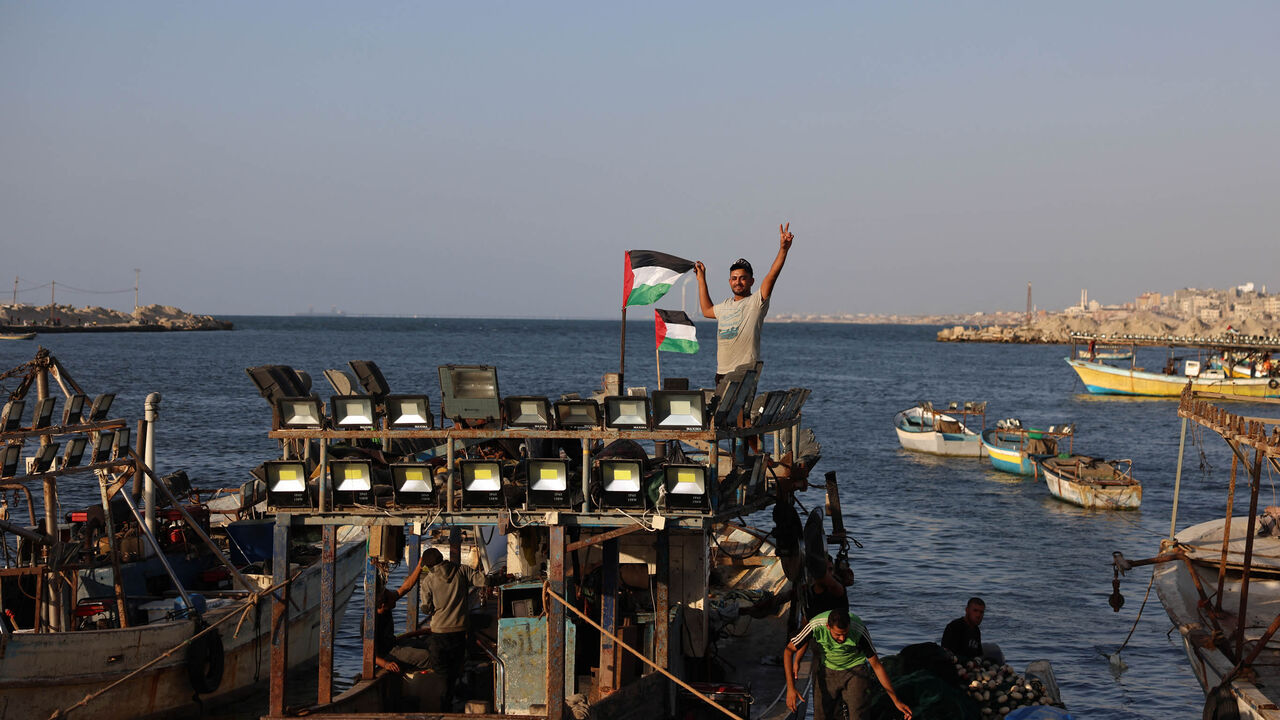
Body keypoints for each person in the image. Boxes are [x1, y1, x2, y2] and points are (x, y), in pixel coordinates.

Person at [695, 222, 794, 385]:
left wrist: (784, 249)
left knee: (738, 411)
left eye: (742, 278)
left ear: (751, 281)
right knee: (722, 411)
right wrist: (701, 279)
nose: (738, 282)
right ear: (729, 281)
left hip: (744, 373)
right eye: (734, 278)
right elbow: (706, 310)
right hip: (721, 373)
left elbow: (772, 275)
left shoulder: (756, 302)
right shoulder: (724, 306)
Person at [404, 547, 502, 710]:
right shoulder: (461, 570)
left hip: (439, 633)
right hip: (459, 630)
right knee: (457, 667)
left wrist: (429, 608)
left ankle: (444, 705)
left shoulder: (428, 581)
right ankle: (452, 698)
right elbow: (484, 581)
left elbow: (426, 608)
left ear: (428, 566)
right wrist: (501, 578)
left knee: (441, 672)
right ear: (442, 558)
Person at [784, 608, 912, 720]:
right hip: (828, 670)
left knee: (858, 715)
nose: (842, 639)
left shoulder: (858, 629)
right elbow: (788, 651)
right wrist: (791, 688)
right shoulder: (815, 625)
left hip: (855, 671)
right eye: (838, 635)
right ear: (828, 627)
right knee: (822, 716)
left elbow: (877, 666)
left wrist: (896, 700)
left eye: (845, 634)